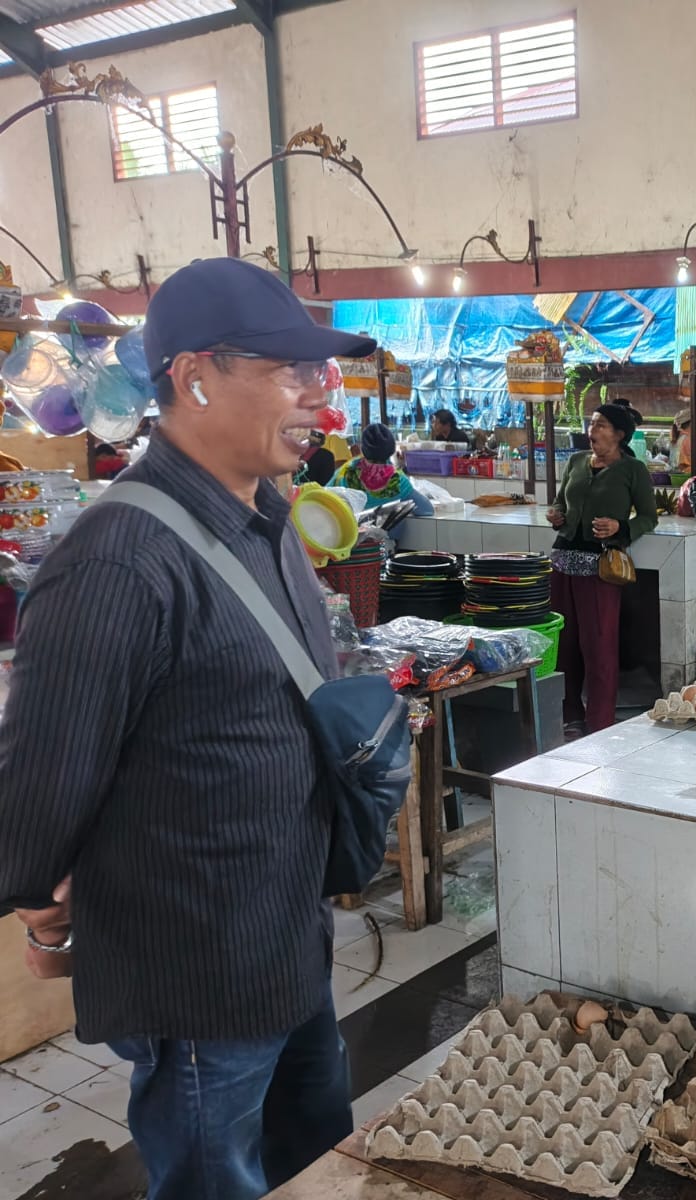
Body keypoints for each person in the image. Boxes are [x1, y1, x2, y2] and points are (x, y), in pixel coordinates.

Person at [0, 257, 375, 1200]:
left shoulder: (268, 521)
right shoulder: (119, 561)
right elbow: (42, 782)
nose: (319, 392)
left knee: (316, 1161)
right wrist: (38, 886)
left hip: (286, 938)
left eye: (320, 371)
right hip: (200, 968)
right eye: (291, 369)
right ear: (195, 375)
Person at [547, 402, 658, 734]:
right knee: (563, 646)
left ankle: (600, 722)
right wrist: (557, 515)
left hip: (600, 568)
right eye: (591, 424)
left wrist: (620, 529)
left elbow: (649, 517)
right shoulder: (576, 461)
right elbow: (559, 501)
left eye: (601, 426)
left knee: (598, 646)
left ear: (620, 435)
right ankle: (570, 716)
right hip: (563, 563)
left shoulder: (633, 470)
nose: (591, 431)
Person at [331, 423, 434, 516]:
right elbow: (427, 510)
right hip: (385, 536)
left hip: (349, 535)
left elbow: (323, 496)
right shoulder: (397, 481)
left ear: (363, 448)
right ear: (391, 450)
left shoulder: (345, 473)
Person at [669, 407, 696, 472]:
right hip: (690, 475)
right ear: (692, 423)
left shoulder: (678, 438)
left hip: (679, 475)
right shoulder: (691, 440)